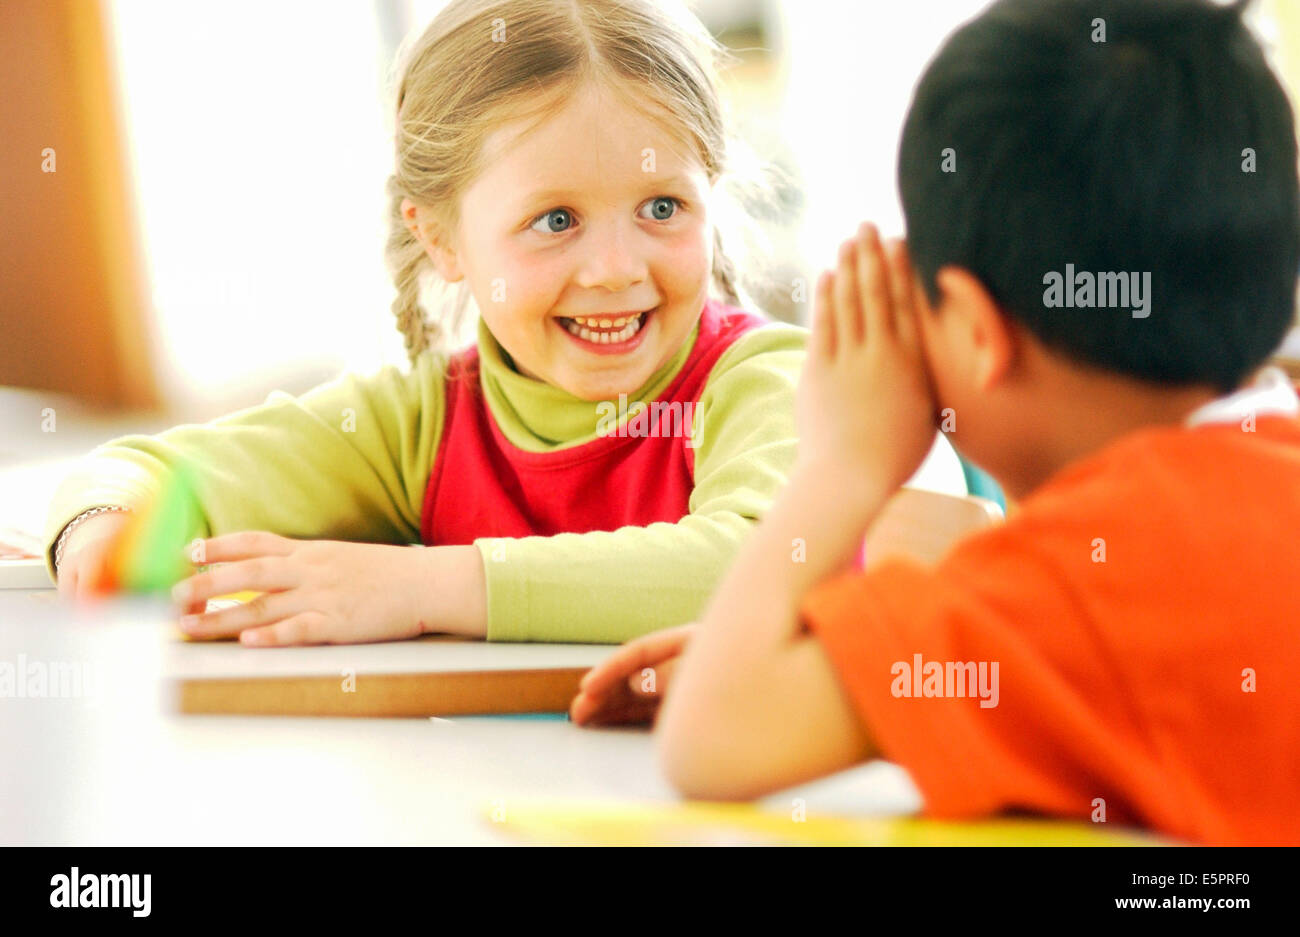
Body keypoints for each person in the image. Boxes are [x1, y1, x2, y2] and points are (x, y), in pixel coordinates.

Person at [572, 0, 1300, 846]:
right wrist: (843, 649)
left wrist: (843, 463)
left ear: (978, 334)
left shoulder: (1073, 583)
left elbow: (713, 739)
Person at [45, 0, 805, 647]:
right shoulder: (419, 423)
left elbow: (762, 564)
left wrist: (425, 586)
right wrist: (105, 525)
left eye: (662, 207)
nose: (615, 267)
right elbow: (138, 471)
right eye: (556, 219)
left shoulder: (763, 381)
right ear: (442, 239)